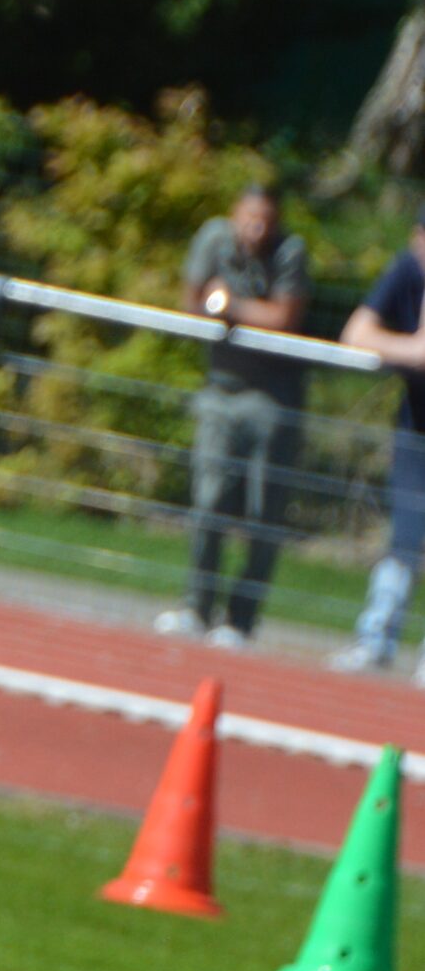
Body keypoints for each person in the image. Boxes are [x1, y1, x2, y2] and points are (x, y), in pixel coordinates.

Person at [153, 180, 310, 648]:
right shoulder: (213, 238)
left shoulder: (291, 252)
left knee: (263, 512)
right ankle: (196, 606)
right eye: (249, 218)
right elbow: (192, 302)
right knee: (208, 498)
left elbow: (284, 318)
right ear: (235, 213)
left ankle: (240, 620)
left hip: (273, 397)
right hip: (220, 390)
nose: (256, 229)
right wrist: (226, 307)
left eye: (266, 221)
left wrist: (230, 305)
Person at [331, 214, 425, 676]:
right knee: (404, 537)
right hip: (416, 429)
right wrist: (414, 351)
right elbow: (356, 333)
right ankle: (376, 639)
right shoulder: (407, 269)